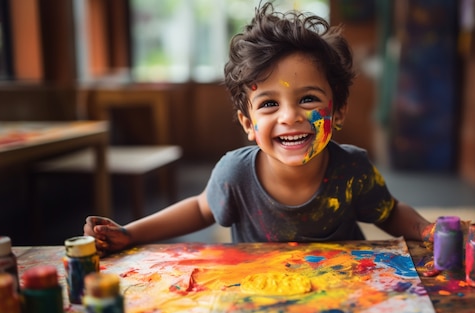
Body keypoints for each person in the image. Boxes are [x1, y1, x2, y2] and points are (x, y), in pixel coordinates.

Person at [84, 1, 433, 257]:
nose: (290, 116)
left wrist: (426, 229)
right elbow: (200, 209)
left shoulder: (352, 169)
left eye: (308, 99)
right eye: (269, 104)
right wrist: (129, 234)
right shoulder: (235, 174)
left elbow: (389, 212)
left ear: (338, 111)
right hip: (263, 300)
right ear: (249, 124)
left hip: (346, 295)